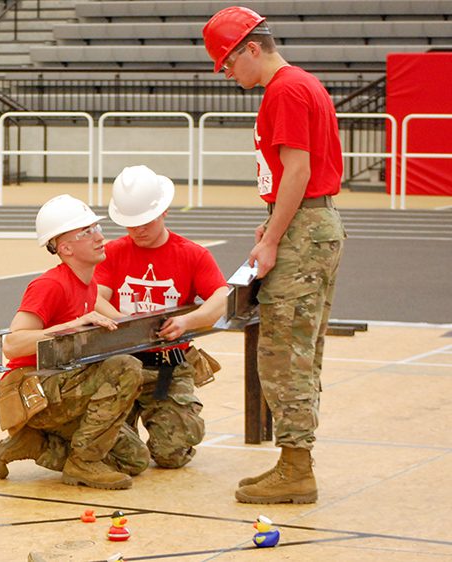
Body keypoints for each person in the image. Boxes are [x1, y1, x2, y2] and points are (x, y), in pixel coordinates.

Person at [203, 6, 345, 504]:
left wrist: (271, 238)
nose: (226, 73)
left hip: (304, 226)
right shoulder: (303, 84)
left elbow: (299, 171)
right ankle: (293, 460)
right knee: (301, 348)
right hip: (312, 222)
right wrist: (274, 220)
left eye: (227, 62)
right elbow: (295, 177)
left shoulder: (284, 90)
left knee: (283, 351)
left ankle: (296, 467)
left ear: (252, 50)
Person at [0, 194, 148, 490]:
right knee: (125, 367)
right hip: (31, 389)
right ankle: (83, 463)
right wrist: (71, 326)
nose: (100, 237)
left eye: (97, 228)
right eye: (86, 232)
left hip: (61, 384)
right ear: (65, 248)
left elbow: (122, 325)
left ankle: (35, 444)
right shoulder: (50, 285)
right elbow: (12, 344)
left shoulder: (89, 285)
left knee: (135, 459)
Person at [95, 165, 229, 470]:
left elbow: (221, 299)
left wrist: (187, 322)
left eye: (145, 222)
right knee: (110, 455)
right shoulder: (113, 252)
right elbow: (95, 296)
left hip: (168, 367)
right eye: (130, 224)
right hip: (119, 365)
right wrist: (123, 323)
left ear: (164, 211)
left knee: (171, 455)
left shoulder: (193, 255)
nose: (138, 231)